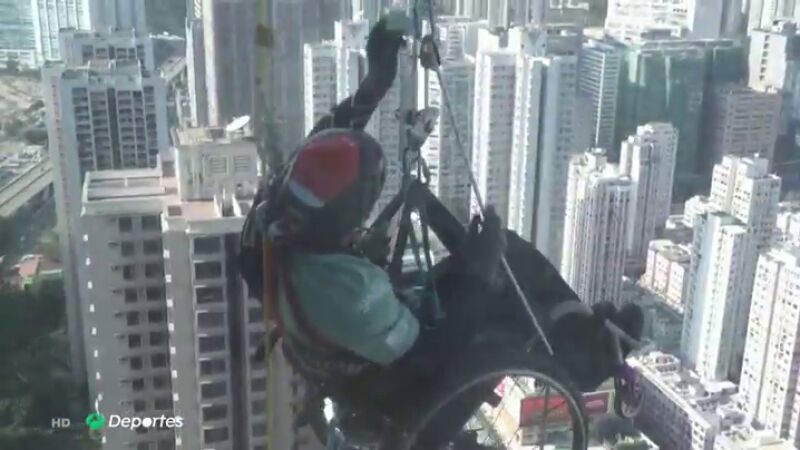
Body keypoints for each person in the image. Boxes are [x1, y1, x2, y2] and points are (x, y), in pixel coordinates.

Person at [240, 16, 644, 448]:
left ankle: (582, 328)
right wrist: (479, 271)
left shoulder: (275, 214)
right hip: (396, 393)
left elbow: (323, 143)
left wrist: (375, 84)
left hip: (348, 348)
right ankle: (588, 359)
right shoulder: (349, 291)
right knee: (502, 302)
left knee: (504, 262)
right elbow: (434, 357)